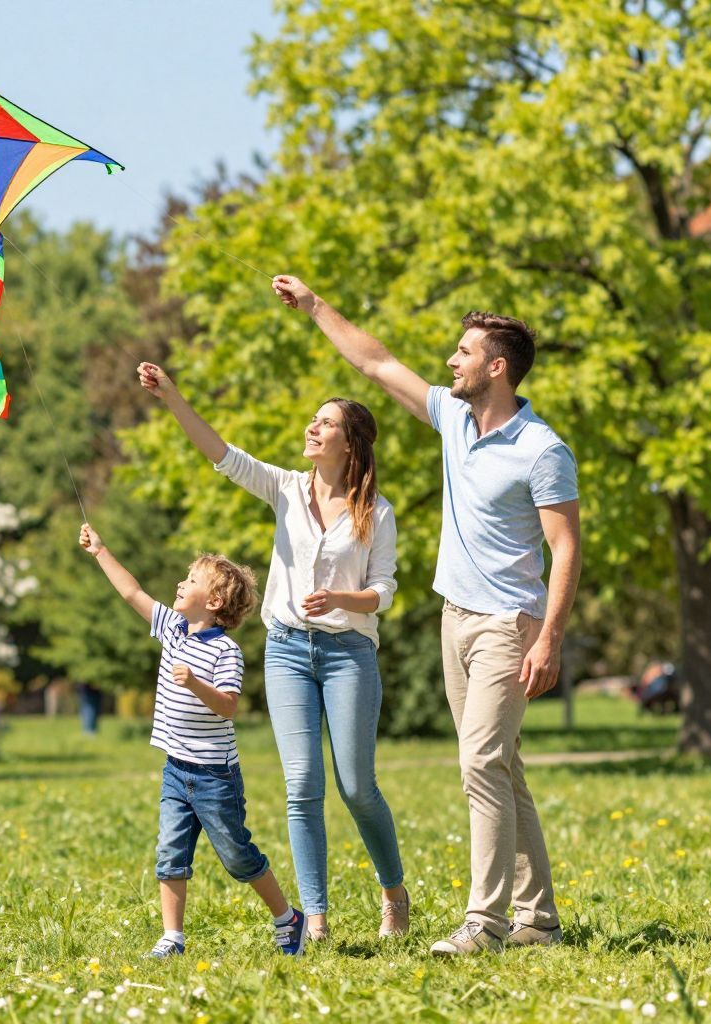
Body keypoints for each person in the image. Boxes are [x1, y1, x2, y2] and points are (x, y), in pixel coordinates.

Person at [272, 276, 582, 956]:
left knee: (479, 764)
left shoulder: (542, 449)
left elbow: (565, 549)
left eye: (464, 352)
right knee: (502, 767)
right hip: (457, 619)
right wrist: (319, 306)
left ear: (495, 367)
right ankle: (540, 920)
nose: (451, 361)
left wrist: (549, 639)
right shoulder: (452, 419)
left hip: (511, 624)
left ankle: (485, 924)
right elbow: (375, 363)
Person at [137, 364, 411, 945]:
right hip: (287, 650)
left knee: (357, 785)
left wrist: (341, 597)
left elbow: (383, 591)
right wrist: (172, 397)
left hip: (348, 652)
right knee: (301, 782)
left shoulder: (376, 512)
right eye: (314, 420)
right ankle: (314, 917)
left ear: (350, 441)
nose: (312, 428)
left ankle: (393, 894)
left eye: (326, 422)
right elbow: (222, 453)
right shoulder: (285, 488)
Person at [78, 523, 307, 957]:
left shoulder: (226, 652)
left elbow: (228, 706)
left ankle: (287, 918)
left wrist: (195, 683)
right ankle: (173, 938)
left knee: (238, 856)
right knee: (170, 852)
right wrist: (101, 551)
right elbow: (132, 593)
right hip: (175, 770)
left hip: (214, 776)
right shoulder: (172, 629)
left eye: (192, 580)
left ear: (215, 602)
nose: (180, 583)